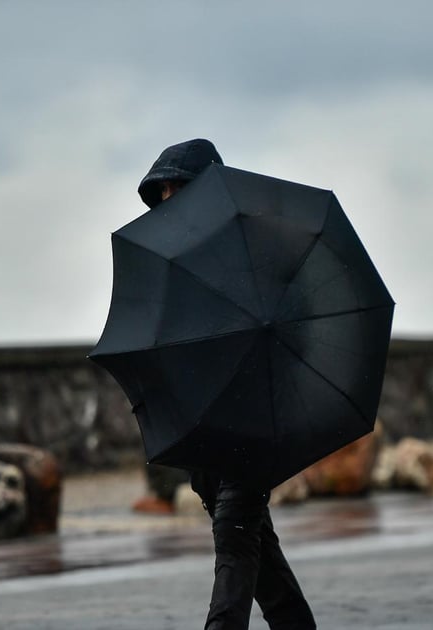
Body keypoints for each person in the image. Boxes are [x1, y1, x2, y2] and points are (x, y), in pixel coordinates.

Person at [137, 138, 317, 630]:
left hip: (252, 429)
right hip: (207, 439)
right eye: (163, 191)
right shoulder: (174, 269)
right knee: (267, 568)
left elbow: (295, 330)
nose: (168, 200)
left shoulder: (258, 253)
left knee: (235, 549)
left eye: (177, 188)